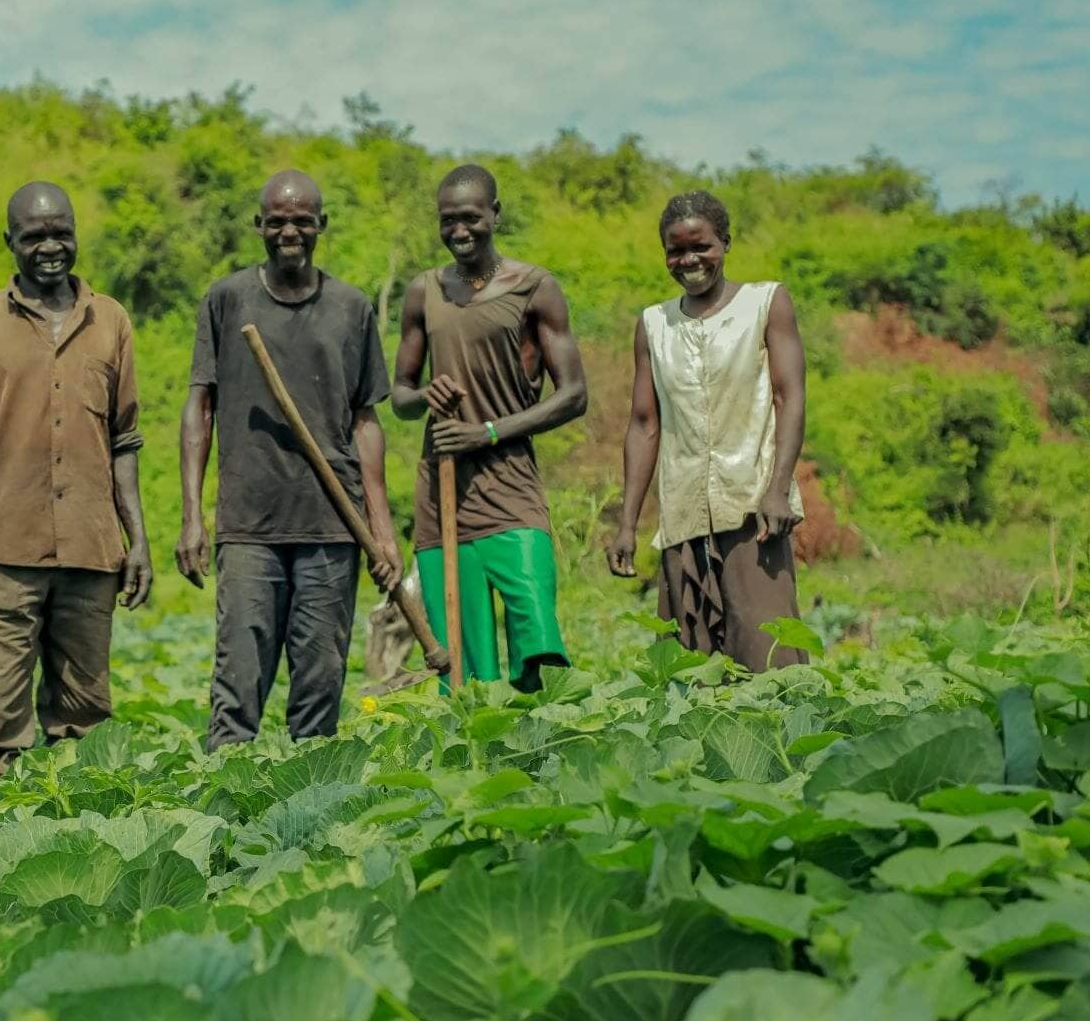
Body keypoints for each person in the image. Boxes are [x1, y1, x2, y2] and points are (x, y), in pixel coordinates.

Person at [0, 182, 152, 783]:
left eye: (61, 233)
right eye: (34, 236)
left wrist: (140, 542)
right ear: (11, 242)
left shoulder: (112, 322)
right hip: (3, 551)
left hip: (90, 550)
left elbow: (123, 441)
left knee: (85, 716)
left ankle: (75, 829)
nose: (50, 246)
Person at [178, 169, 403, 749]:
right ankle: (227, 820)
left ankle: (312, 814)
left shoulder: (352, 308)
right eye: (277, 221)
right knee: (237, 685)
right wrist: (191, 517)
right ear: (259, 225)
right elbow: (199, 407)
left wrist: (382, 529)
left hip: (332, 528)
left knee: (321, 686)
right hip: (249, 527)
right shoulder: (227, 300)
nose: (290, 231)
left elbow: (365, 423)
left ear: (321, 225)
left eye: (302, 220)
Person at [390, 164, 587, 692]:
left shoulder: (534, 288)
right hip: (443, 494)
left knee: (536, 635)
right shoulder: (423, 292)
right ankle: (474, 765)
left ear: (494, 215)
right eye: (448, 219)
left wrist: (491, 432)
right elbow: (400, 396)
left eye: (472, 217)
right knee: (462, 663)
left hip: (511, 488)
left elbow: (574, 395)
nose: (460, 230)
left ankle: (538, 757)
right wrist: (423, 396)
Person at [608, 191, 807, 671]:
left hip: (754, 513)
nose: (689, 260)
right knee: (693, 672)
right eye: (675, 251)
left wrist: (777, 489)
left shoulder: (766, 303)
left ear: (726, 244)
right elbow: (643, 425)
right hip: (683, 519)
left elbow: (789, 397)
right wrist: (627, 525)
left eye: (701, 247)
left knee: (770, 662)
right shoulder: (654, 325)